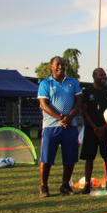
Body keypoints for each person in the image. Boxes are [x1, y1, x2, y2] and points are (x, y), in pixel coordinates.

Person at [37, 56, 83, 197]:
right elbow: (43, 104)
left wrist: (69, 117)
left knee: (70, 158)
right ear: (51, 66)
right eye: (57, 65)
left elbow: (79, 101)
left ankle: (65, 185)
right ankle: (44, 186)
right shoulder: (45, 83)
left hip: (70, 126)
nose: (60, 67)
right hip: (51, 126)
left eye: (62, 64)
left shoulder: (72, 82)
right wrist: (61, 118)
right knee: (47, 158)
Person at [79, 67, 107, 194]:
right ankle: (87, 185)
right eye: (100, 75)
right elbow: (84, 111)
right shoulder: (87, 91)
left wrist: (104, 128)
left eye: (104, 74)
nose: (103, 77)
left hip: (106, 130)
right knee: (89, 158)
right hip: (91, 130)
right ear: (94, 76)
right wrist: (95, 128)